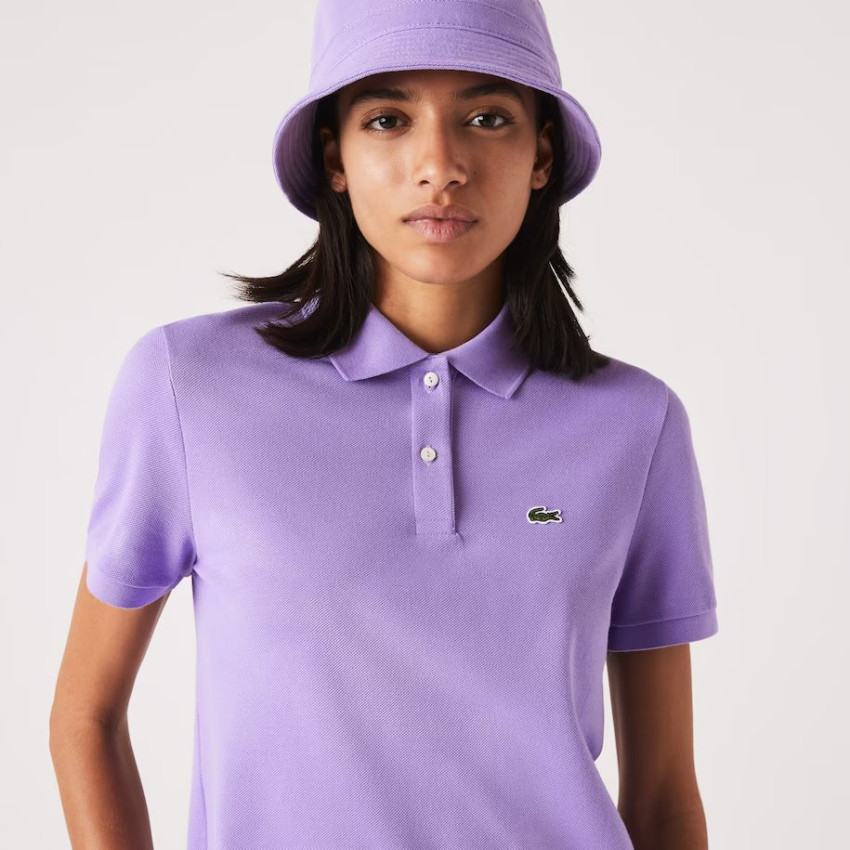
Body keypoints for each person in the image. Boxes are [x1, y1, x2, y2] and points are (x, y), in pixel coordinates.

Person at [49, 1, 719, 848]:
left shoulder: (635, 425)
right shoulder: (188, 386)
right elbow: (85, 717)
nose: (440, 166)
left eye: (487, 117)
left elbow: (662, 797)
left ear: (541, 155)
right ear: (336, 155)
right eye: (388, 119)